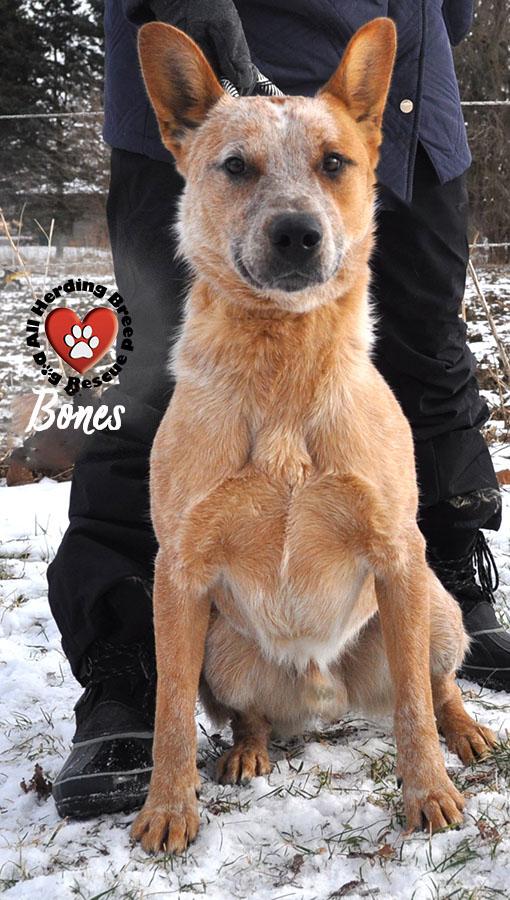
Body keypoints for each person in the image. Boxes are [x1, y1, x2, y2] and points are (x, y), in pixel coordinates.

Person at [48, 0, 508, 819]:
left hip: (397, 68)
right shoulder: (199, 127)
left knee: (431, 341)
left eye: (332, 167)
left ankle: (447, 642)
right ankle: (123, 669)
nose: (293, 214)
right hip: (206, 25)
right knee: (145, 378)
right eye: (244, 170)